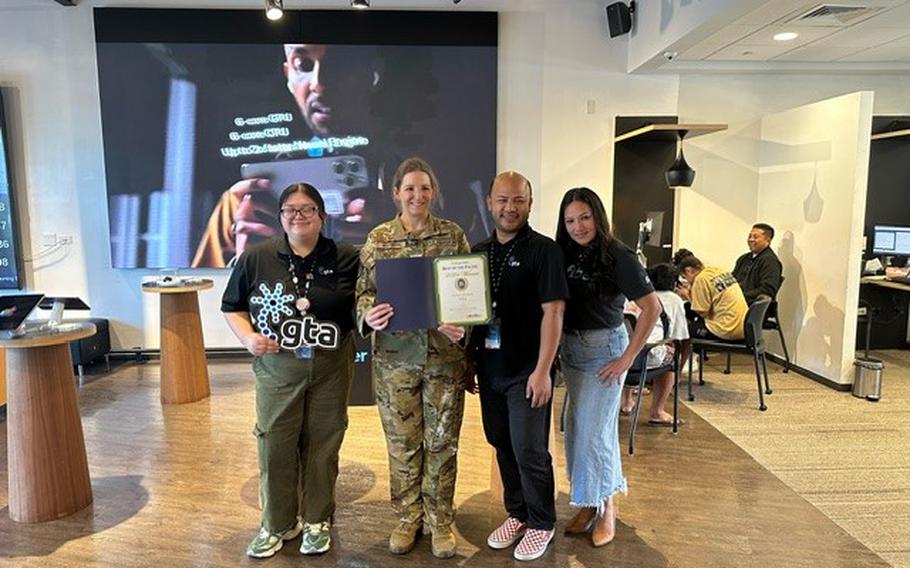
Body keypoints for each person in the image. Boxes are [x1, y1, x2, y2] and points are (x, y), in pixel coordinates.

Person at [221, 182, 359, 558]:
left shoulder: (347, 257)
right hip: (277, 367)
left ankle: (317, 521)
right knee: (275, 443)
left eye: (307, 209)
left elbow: (362, 307)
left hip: (331, 366)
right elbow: (232, 306)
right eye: (290, 210)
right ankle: (278, 523)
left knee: (323, 442)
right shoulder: (257, 256)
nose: (299, 216)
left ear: (321, 215)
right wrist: (249, 338)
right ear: (281, 217)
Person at [355, 157, 470, 558]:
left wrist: (463, 323)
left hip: (443, 360)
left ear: (433, 192)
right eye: (410, 189)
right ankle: (407, 518)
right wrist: (367, 315)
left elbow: (466, 292)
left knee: (442, 443)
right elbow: (363, 294)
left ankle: (440, 521)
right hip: (394, 361)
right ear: (396, 194)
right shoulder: (378, 239)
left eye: (424, 188)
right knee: (403, 444)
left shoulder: (453, 236)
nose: (417, 195)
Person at [194, 44, 393, 267]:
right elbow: (203, 294)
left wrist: (391, 250)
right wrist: (246, 265)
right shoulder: (243, 202)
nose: (318, 83)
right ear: (288, 75)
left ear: (373, 73)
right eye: (303, 65)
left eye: (340, 65)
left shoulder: (408, 191)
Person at [468, 171, 568, 562]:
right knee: (501, 443)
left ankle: (542, 522)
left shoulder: (545, 251)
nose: (510, 208)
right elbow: (473, 315)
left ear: (529, 203)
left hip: (529, 369)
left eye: (519, 200)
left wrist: (543, 370)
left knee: (529, 449)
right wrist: (467, 362)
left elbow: (554, 311)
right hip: (489, 368)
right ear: (490, 203)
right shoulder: (478, 252)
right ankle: (518, 513)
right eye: (502, 200)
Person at [555, 187, 661, 548]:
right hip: (571, 351)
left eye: (584, 217)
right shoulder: (563, 252)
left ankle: (608, 508)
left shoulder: (619, 255)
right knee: (576, 429)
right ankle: (588, 501)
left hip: (605, 352)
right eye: (570, 220)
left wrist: (628, 358)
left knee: (596, 434)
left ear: (598, 217)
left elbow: (652, 308)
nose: (578, 226)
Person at [621, 263, 690, 426]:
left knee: (631, 340)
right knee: (672, 354)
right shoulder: (674, 300)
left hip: (620, 359)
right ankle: (657, 412)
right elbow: (681, 336)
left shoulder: (631, 296)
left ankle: (626, 402)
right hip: (644, 360)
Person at [677, 252, 748, 341]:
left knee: (684, 328)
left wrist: (687, 295)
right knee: (688, 308)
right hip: (743, 327)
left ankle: (692, 354)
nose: (686, 280)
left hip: (727, 329)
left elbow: (703, 312)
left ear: (688, 270)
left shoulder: (700, 279)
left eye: (684, 277)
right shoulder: (716, 270)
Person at [732, 223, 783, 304]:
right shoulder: (743, 258)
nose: (751, 239)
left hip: (751, 306)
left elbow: (768, 290)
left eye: (755, 237)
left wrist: (741, 296)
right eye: (749, 236)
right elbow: (732, 281)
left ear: (768, 240)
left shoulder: (770, 261)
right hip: (735, 302)